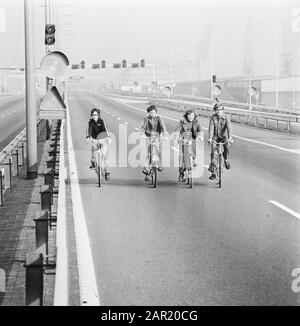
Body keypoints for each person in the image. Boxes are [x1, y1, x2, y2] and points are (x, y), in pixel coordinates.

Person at [175, 108, 203, 182]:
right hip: (183, 140)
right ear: (186, 115)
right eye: (189, 115)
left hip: (192, 139)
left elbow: (200, 130)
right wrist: (176, 137)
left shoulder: (196, 121)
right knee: (182, 157)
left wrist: (200, 136)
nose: (191, 117)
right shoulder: (182, 121)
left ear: (194, 116)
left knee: (193, 151)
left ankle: (193, 160)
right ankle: (181, 174)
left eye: (192, 115)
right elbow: (177, 130)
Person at [140, 105, 168, 181]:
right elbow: (142, 128)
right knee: (149, 154)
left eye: (154, 112)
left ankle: (159, 165)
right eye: (151, 113)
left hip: (157, 137)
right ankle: (146, 171)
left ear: (156, 112)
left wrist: (165, 136)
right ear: (148, 112)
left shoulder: (159, 118)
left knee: (158, 151)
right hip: (148, 137)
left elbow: (163, 127)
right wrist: (142, 135)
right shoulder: (146, 119)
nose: (153, 114)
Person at [208, 102, 233, 180]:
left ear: (223, 110)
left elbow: (229, 128)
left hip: (224, 136)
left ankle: (225, 159)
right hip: (215, 137)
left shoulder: (226, 117)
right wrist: (210, 138)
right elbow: (211, 128)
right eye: (217, 110)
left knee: (227, 146)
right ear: (215, 110)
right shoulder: (213, 118)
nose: (218, 111)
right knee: (214, 154)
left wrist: (230, 137)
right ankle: (213, 173)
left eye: (220, 110)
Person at [86, 108, 111, 181]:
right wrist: (88, 137)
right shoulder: (90, 122)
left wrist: (108, 138)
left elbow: (105, 130)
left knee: (105, 156)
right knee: (93, 151)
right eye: (93, 115)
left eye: (96, 114)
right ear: (91, 115)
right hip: (94, 139)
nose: (94, 116)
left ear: (98, 115)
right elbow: (89, 130)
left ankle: (107, 172)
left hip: (102, 139)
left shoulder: (101, 121)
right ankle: (93, 163)